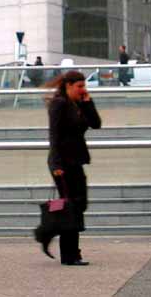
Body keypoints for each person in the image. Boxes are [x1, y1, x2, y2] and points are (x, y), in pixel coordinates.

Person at [36, 71, 101, 266]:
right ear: (68, 86)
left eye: (84, 86)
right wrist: (56, 164)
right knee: (71, 207)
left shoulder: (77, 104)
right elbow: (54, 135)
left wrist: (88, 102)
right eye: (79, 86)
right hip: (62, 163)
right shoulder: (59, 104)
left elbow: (96, 124)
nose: (83, 90)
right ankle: (70, 254)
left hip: (77, 160)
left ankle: (47, 234)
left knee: (79, 205)